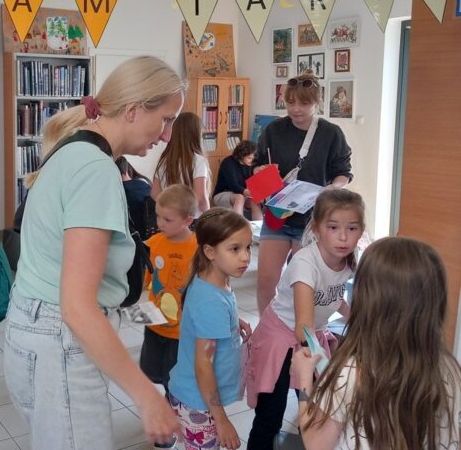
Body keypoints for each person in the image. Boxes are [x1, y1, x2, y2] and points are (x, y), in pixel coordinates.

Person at [3, 56, 185, 449]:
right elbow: (77, 308)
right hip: (59, 342)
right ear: (133, 110)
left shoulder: (74, 149)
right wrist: (147, 395)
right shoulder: (95, 169)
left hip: (34, 329)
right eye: (166, 120)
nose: (168, 135)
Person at [291, 237, 461, 450]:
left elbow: (315, 444)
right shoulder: (451, 369)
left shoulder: (352, 373)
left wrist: (305, 377)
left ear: (366, 301)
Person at [246, 189, 364, 450]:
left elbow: (333, 296)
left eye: (352, 228)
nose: (343, 237)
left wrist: (360, 321)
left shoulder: (347, 260)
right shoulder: (305, 263)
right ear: (317, 228)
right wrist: (328, 369)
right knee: (270, 416)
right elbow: (303, 328)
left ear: (361, 230)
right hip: (281, 338)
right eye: (333, 227)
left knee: (316, 415)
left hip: (311, 339)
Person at [253, 72, 353, 314]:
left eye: (304, 103)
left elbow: (343, 172)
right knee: (266, 281)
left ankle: (302, 329)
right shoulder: (273, 130)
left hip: (311, 220)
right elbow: (256, 165)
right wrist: (261, 171)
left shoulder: (331, 133)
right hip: (277, 216)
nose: (296, 109)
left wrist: (332, 189)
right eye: (290, 102)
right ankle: (267, 328)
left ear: (317, 102)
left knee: (304, 284)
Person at [167, 209, 254, 450]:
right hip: (198, 403)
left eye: (248, 247)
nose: (245, 257)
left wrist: (232, 322)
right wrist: (221, 420)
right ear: (209, 252)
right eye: (235, 249)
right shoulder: (210, 302)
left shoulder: (213, 279)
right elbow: (203, 365)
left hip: (196, 397)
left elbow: (207, 319)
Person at [139, 184, 198, 394]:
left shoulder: (198, 249)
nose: (160, 223)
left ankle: (173, 406)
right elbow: (145, 280)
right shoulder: (154, 243)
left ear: (187, 220)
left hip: (182, 332)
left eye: (167, 219)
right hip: (155, 325)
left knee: (175, 380)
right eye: (158, 216)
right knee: (152, 372)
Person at [152, 111, 210, 217]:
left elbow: (155, 194)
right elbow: (201, 198)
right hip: (192, 219)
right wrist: (209, 215)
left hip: (171, 219)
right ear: (195, 135)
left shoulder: (164, 160)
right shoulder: (198, 160)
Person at [213, 140, 262, 220]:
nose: (251, 160)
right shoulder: (228, 162)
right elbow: (233, 186)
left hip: (241, 194)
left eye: (252, 157)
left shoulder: (249, 165)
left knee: (255, 201)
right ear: (241, 155)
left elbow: (250, 184)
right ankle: (239, 225)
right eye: (249, 157)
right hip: (223, 193)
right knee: (239, 198)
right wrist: (250, 193)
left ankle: (259, 224)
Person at [116, 155, 154, 236]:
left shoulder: (120, 191)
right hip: (152, 231)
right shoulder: (145, 184)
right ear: (127, 169)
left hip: (137, 235)